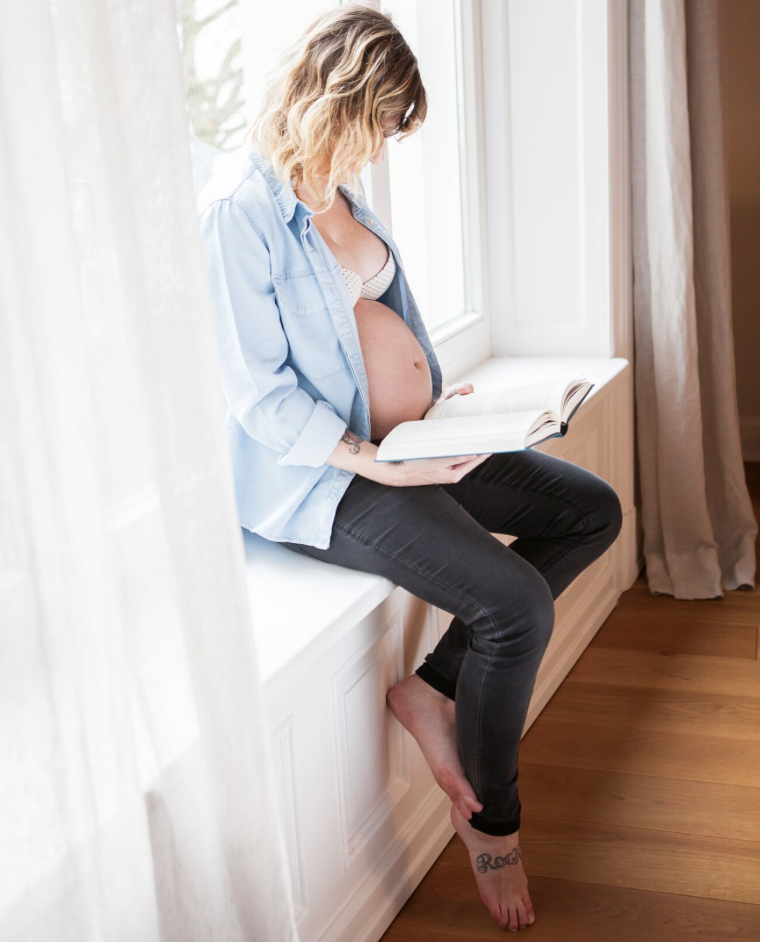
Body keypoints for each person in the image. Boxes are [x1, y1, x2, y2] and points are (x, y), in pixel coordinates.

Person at [197, 3, 623, 933]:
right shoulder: (243, 211)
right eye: (381, 124)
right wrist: (373, 463)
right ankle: (493, 827)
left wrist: (438, 409)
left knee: (592, 511)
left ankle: (431, 686)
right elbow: (258, 395)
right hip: (328, 480)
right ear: (338, 102)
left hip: (407, 446)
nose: (384, 148)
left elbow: (389, 322)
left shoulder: (343, 192)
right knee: (514, 605)